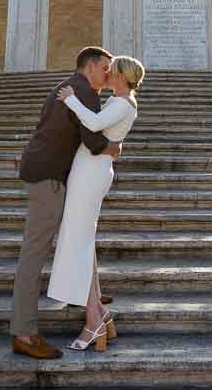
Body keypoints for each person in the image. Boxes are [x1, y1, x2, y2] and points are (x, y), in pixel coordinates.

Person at [10, 46, 121, 359]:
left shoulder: (65, 87)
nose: (108, 75)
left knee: (80, 234)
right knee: (33, 255)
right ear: (90, 67)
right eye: (105, 69)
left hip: (42, 171)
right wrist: (114, 147)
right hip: (48, 178)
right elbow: (93, 140)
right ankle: (23, 332)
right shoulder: (84, 91)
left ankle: (92, 295)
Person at [48, 55, 145, 351]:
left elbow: (92, 123)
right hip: (89, 169)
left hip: (92, 172)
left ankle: (94, 322)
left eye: (110, 71)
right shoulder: (120, 101)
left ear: (121, 76)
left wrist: (70, 99)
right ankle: (100, 315)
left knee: (79, 240)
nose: (107, 74)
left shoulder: (122, 104)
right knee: (81, 240)